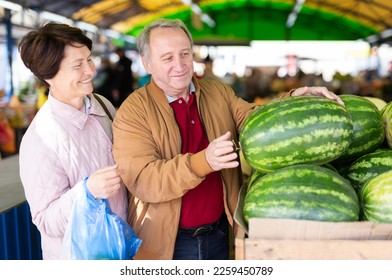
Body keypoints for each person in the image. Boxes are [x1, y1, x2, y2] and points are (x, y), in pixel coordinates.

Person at [112, 18, 343, 260]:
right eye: (167, 58)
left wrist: (297, 99)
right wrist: (205, 162)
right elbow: (143, 179)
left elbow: (256, 121)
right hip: (167, 246)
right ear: (147, 63)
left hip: (220, 234)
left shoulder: (218, 92)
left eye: (185, 54)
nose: (180, 65)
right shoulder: (133, 111)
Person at [18, 22, 128, 260]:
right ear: (49, 76)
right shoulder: (40, 139)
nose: (90, 70)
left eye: (89, 59)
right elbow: (45, 220)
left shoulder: (103, 106)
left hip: (122, 249)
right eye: (78, 65)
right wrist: (87, 192)